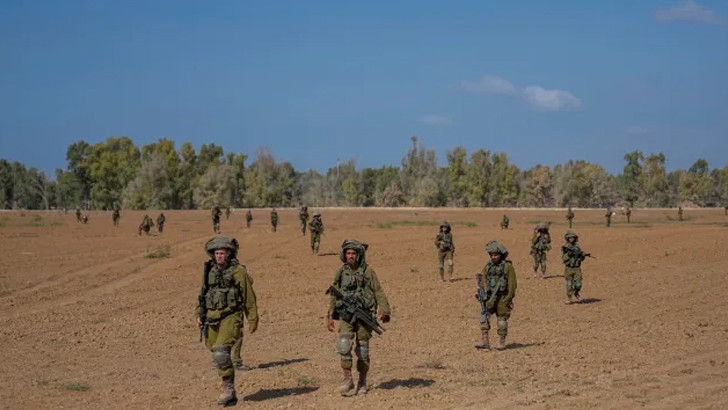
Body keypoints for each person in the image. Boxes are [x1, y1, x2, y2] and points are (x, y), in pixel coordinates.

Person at [196, 237, 259, 405]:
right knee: (215, 352)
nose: (219, 256)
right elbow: (202, 294)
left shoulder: (238, 271)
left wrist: (252, 317)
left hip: (231, 315)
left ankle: (228, 389)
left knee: (220, 351)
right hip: (212, 317)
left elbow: (248, 296)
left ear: (229, 254)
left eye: (222, 253)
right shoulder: (209, 270)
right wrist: (199, 315)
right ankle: (229, 386)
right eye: (216, 253)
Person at [327, 239, 390, 396]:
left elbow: (378, 291)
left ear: (359, 255)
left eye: (353, 253)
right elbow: (334, 294)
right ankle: (348, 380)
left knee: (362, 350)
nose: (350, 256)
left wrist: (384, 309)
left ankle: (362, 381)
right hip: (346, 315)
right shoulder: (342, 271)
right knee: (343, 344)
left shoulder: (368, 271)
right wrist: (329, 315)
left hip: (363, 315)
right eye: (348, 253)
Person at [475, 240, 517, 351]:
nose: (493, 257)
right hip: (489, 297)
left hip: (502, 297)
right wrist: (482, 291)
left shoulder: (508, 267)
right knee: (484, 316)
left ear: (501, 255)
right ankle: (485, 341)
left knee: (502, 320)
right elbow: (483, 278)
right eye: (491, 255)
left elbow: (512, 285)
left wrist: (508, 299)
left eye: (496, 255)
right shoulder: (488, 265)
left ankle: (501, 342)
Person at [561, 230, 591, 305]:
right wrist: (569, 255)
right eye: (570, 238)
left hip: (577, 268)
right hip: (569, 268)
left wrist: (582, 256)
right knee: (569, 285)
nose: (571, 239)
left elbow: (581, 259)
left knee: (578, 284)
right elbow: (564, 259)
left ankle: (576, 293)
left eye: (573, 238)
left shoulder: (577, 247)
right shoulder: (566, 247)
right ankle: (569, 298)